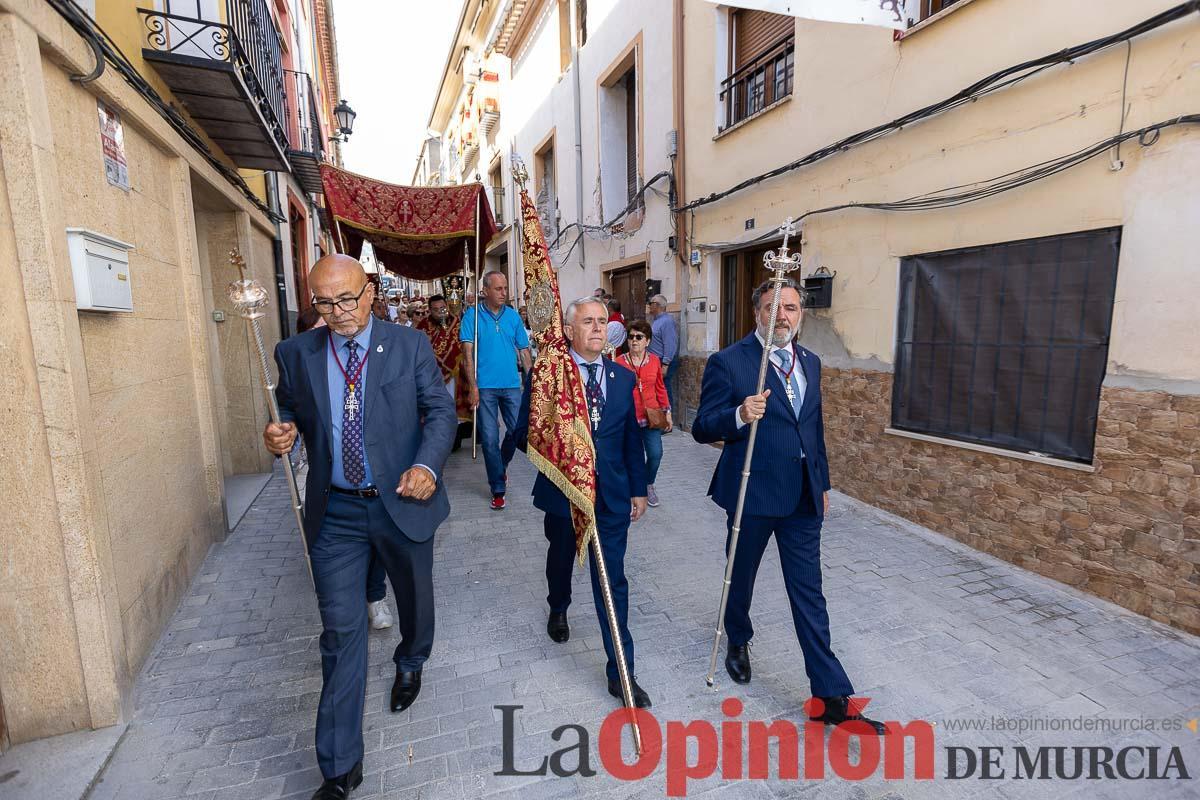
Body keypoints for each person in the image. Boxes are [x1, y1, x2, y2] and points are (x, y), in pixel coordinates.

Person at [262, 255, 457, 799]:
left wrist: (426, 465)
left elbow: (439, 412)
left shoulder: (408, 344)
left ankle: (412, 658)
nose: (338, 313)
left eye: (347, 299)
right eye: (324, 303)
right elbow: (290, 413)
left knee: (416, 604)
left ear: (369, 292)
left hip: (403, 501)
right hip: (337, 514)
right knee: (341, 634)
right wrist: (282, 435)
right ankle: (340, 767)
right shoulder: (295, 353)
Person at [691, 278, 887, 736]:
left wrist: (822, 483)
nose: (782, 316)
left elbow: (812, 429)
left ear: (800, 314)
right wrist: (739, 415)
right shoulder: (730, 362)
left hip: (801, 498)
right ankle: (737, 638)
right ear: (757, 312)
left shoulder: (812, 363)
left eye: (792, 308)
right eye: (772, 307)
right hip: (752, 494)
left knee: (809, 595)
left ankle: (832, 695)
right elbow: (702, 427)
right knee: (739, 579)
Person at [515, 297, 651, 708]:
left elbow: (632, 439)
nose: (596, 328)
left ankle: (621, 671)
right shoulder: (549, 376)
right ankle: (559, 606)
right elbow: (525, 430)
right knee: (560, 556)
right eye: (587, 322)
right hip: (562, 494)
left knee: (612, 579)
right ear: (570, 331)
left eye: (602, 322)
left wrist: (638, 488)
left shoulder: (622, 378)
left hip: (610, 496)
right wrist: (560, 444)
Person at [297, 304, 392, 631]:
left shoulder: (364, 362)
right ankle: (348, 602)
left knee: (378, 543)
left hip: (374, 480)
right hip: (327, 484)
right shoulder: (301, 369)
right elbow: (284, 414)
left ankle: (375, 594)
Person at [460, 271, 532, 510]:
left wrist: (531, 384)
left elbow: (524, 351)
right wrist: (473, 387)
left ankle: (501, 464)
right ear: (485, 291)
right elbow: (467, 355)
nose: (504, 293)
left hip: (512, 385)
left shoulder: (512, 317)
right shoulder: (472, 316)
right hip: (485, 388)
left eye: (505, 288)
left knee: (517, 432)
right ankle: (498, 487)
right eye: (498, 289)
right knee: (489, 439)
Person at [616, 320, 671, 508]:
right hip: (628, 418)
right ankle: (632, 490)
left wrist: (667, 411)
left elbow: (660, 388)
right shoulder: (619, 362)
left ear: (647, 341)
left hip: (652, 416)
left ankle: (648, 484)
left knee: (656, 454)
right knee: (631, 456)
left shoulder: (654, 361)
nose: (634, 341)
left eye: (639, 337)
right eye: (631, 337)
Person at [415, 294, 472, 452]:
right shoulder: (423, 326)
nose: (441, 312)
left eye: (443, 308)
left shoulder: (457, 323)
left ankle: (454, 439)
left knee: (452, 407)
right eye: (436, 310)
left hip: (453, 375)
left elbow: (463, 346)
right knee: (434, 408)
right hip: (430, 375)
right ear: (430, 310)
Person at [646, 294, 680, 418]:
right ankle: (660, 419)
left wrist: (665, 364)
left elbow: (670, 344)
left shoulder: (667, 321)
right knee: (659, 390)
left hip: (663, 361)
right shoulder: (656, 321)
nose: (649, 305)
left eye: (651, 303)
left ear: (658, 305)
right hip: (656, 360)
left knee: (664, 390)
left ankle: (667, 421)